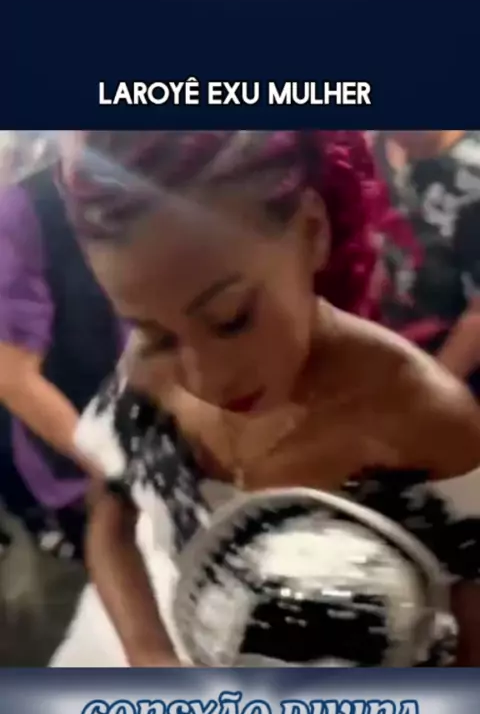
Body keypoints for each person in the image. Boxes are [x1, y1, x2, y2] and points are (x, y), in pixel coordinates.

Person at [52, 130, 480, 669]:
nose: (205, 379)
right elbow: (110, 514)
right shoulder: (143, 376)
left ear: (312, 231)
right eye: (152, 333)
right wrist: (148, 650)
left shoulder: (425, 418)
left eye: (231, 319)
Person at [0, 143, 124, 558]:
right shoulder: (24, 213)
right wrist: (114, 468)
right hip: (85, 451)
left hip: (163, 427)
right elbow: (13, 377)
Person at [374, 130, 480, 392]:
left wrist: (423, 396)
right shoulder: (386, 156)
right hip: (385, 367)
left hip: (450, 387)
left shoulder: (472, 174)